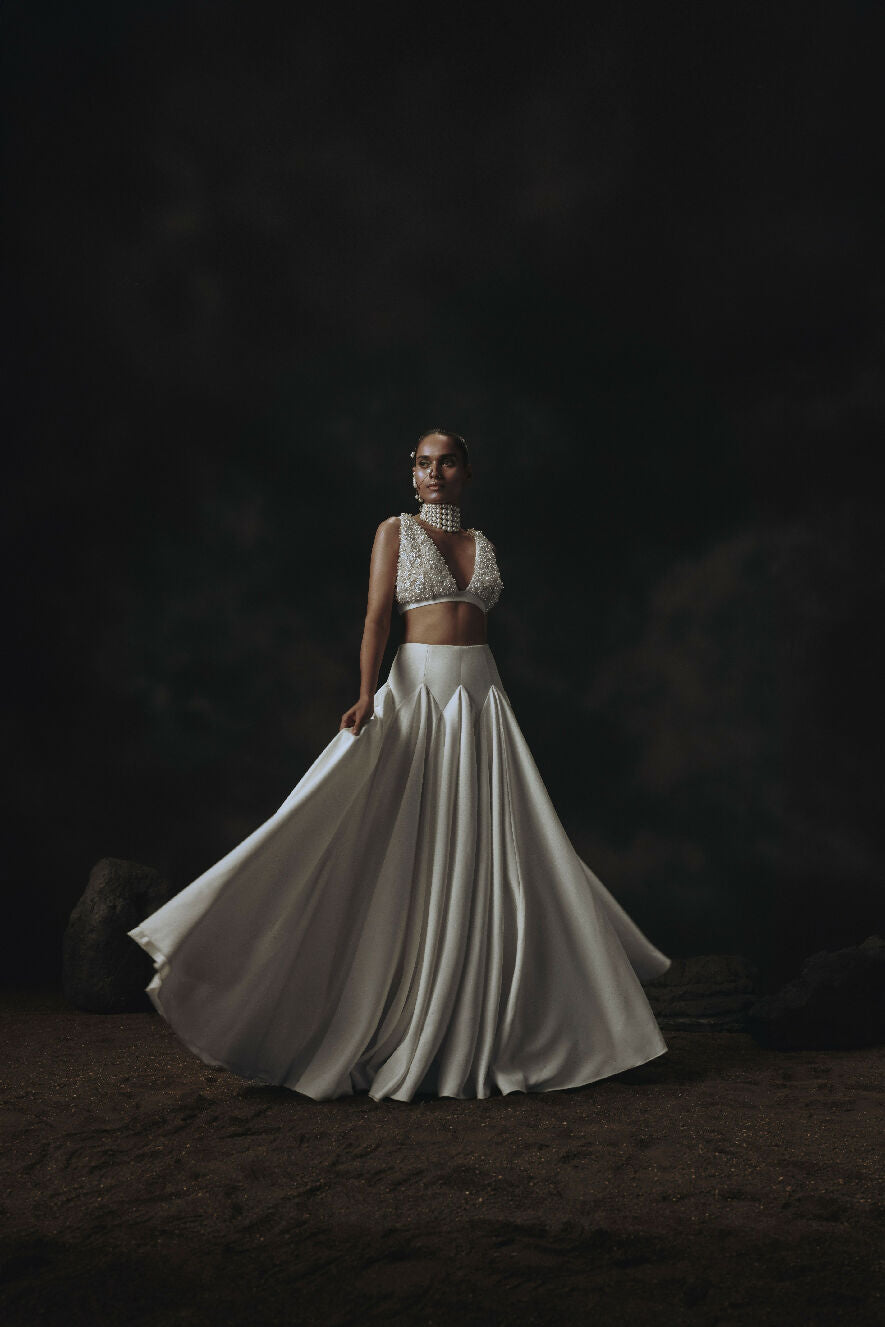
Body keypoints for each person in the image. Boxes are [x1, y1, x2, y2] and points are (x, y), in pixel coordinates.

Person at [128, 428, 671, 1102]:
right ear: (410, 474)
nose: (434, 472)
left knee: (496, 850)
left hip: (480, 701)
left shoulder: (484, 544)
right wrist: (364, 693)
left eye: (446, 462)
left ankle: (513, 1021)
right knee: (386, 836)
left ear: (466, 472)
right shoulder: (394, 530)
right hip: (417, 693)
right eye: (423, 463)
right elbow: (376, 617)